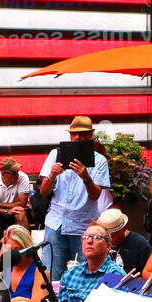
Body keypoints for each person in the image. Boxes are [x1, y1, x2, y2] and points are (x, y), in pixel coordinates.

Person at [39, 115, 110, 280]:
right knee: (53, 276)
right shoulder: (55, 154)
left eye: (82, 134)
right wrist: (52, 175)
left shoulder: (99, 161)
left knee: (85, 274)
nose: (77, 137)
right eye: (74, 133)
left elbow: (95, 195)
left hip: (83, 225)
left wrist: (86, 177)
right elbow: (43, 192)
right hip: (56, 223)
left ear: (90, 135)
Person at [58, 220, 123, 302]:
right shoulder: (70, 274)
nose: (89, 241)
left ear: (108, 246)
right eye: (85, 237)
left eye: (97, 237)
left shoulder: (115, 274)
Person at [0, 224, 52, 302]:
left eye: (17, 249)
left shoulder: (39, 272)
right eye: (9, 250)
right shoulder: (5, 270)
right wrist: (18, 301)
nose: (12, 254)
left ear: (26, 247)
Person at [0, 157, 31, 231]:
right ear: (3, 174)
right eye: (14, 173)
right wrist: (6, 211)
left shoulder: (23, 177)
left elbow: (22, 204)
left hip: (15, 210)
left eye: (17, 171)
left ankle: (26, 241)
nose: (17, 175)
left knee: (20, 212)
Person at [97, 207, 150, 273]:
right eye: (106, 236)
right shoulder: (98, 241)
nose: (110, 239)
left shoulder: (141, 245)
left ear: (124, 228)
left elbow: (147, 274)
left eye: (114, 234)